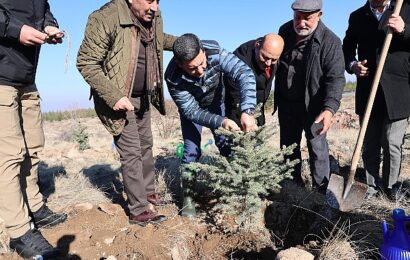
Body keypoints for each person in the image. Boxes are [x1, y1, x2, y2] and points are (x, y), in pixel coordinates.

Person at [77, 0, 176, 226]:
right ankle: (139, 210)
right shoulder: (105, 17)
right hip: (118, 98)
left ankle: (148, 194)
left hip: (143, 96)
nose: (156, 7)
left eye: (159, 1)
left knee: (146, 145)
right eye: (150, 0)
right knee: (131, 151)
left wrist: (182, 43)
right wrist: (114, 96)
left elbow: (160, 40)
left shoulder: (152, 17)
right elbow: (86, 62)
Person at [0, 0, 67, 258]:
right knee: (9, 156)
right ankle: (19, 231)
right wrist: (17, 30)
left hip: (27, 78)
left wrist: (50, 26)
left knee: (33, 147)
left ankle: (35, 206)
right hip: (2, 77)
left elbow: (43, 10)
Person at [165, 33, 257, 217]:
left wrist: (247, 110)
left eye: (202, 63)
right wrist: (221, 121)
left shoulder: (215, 51)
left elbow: (244, 73)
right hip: (192, 111)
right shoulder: (173, 78)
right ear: (179, 63)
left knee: (226, 145)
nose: (200, 70)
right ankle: (188, 200)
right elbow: (191, 111)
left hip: (217, 103)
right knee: (191, 151)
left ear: (203, 50)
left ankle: (234, 189)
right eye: (192, 68)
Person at [274, 0, 345, 191]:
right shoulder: (284, 31)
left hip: (315, 106)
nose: (302, 23)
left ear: (319, 15)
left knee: (317, 147)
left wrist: (329, 109)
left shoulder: (330, 41)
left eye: (308, 18)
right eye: (298, 17)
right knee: (288, 146)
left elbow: (336, 78)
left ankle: (321, 190)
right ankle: (293, 186)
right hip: (288, 104)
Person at [343, 0, 410, 200]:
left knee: (391, 141)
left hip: (398, 90)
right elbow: (347, 47)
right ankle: (371, 187)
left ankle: (391, 187)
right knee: (370, 142)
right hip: (368, 89)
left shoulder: (405, 8)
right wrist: (353, 65)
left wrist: (404, 29)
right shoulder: (358, 16)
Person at [225, 33, 284, 126]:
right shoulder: (239, 60)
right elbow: (235, 95)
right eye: (265, 57)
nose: (268, 63)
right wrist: (246, 114)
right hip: (238, 109)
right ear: (257, 46)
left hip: (259, 107)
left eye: (274, 60)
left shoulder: (272, 52)